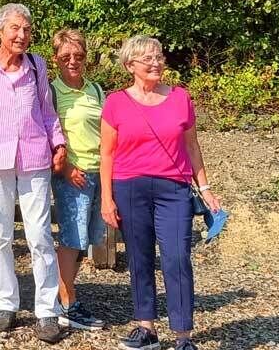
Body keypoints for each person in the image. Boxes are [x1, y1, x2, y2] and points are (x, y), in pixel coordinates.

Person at [101, 35, 220, 350]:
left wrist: (205, 188)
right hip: (129, 187)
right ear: (130, 65)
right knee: (139, 258)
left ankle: (183, 336)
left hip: (174, 189)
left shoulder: (181, 98)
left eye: (159, 57)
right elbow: (107, 154)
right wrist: (106, 199)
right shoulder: (115, 102)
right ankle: (146, 329)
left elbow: (192, 146)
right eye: (148, 59)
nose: (156, 63)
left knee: (177, 257)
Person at [0, 4, 66, 343]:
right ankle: (5, 304)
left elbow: (47, 112)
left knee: (39, 236)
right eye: (15, 29)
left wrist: (58, 143)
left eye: (26, 29)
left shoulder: (37, 65)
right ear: (0, 32)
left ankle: (47, 310)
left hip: (35, 159)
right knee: (0, 235)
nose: (22, 35)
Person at [49, 28, 106, 330]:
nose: (73, 61)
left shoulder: (95, 90)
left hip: (99, 171)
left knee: (86, 238)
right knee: (71, 239)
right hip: (72, 174)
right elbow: (46, 133)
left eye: (79, 56)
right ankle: (67, 302)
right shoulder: (51, 92)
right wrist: (66, 168)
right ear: (55, 59)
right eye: (66, 56)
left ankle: (67, 293)